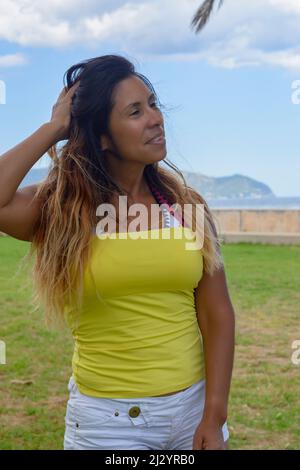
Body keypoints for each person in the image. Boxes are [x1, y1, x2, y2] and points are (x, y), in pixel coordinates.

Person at [0, 54, 235, 450]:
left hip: (192, 415)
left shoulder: (185, 206)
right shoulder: (61, 209)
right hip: (107, 425)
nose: (156, 118)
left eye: (154, 104)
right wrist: (54, 128)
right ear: (103, 137)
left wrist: (214, 415)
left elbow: (217, 313)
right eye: (135, 111)